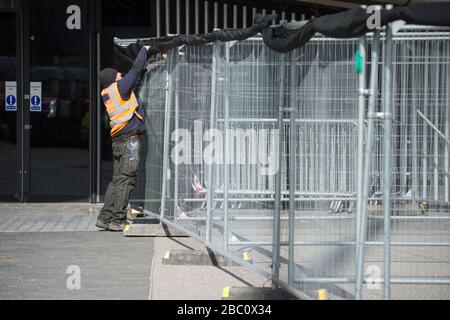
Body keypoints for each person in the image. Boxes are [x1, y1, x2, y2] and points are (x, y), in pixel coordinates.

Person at [96, 45, 152, 232]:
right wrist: (144, 50)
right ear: (113, 79)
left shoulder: (110, 93)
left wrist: (144, 68)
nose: (120, 74)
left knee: (117, 179)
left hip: (119, 140)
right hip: (129, 141)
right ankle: (117, 220)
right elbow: (133, 71)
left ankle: (105, 218)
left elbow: (135, 80)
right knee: (127, 179)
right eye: (117, 74)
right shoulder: (118, 88)